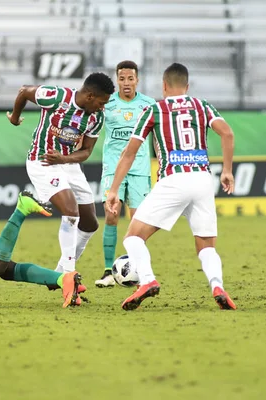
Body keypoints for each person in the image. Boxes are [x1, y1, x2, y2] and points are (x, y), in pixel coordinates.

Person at [105, 63, 237, 311]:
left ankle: (147, 280)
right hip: (202, 179)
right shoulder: (202, 105)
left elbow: (129, 153)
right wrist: (227, 170)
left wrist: (113, 189)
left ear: (163, 86)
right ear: (187, 87)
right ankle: (217, 286)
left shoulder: (154, 109)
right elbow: (227, 134)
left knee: (133, 237)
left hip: (173, 180)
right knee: (206, 246)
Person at [7, 72, 115, 274]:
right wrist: (14, 117)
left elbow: (87, 151)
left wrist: (65, 159)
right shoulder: (55, 96)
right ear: (90, 96)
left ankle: (59, 271)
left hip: (68, 163)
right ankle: (68, 273)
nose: (102, 107)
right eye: (101, 102)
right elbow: (23, 92)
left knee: (90, 224)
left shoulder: (96, 117)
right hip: (43, 161)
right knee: (71, 211)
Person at [95, 60, 156, 288]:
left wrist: (160, 160)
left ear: (137, 80)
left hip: (140, 171)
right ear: (117, 80)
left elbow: (157, 138)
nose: (126, 83)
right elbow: (91, 127)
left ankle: (139, 271)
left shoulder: (149, 105)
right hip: (113, 169)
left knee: (138, 222)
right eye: (122, 79)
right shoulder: (106, 104)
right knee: (111, 215)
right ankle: (108, 271)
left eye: (130, 79)